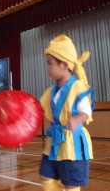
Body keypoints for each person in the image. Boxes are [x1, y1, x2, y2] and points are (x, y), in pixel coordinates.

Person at [39, 35, 95, 191]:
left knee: (70, 183)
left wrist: (76, 119)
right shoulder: (51, 91)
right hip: (54, 141)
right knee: (46, 175)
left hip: (72, 144)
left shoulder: (78, 87)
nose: (47, 68)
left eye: (50, 64)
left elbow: (86, 111)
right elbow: (43, 110)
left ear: (64, 64)